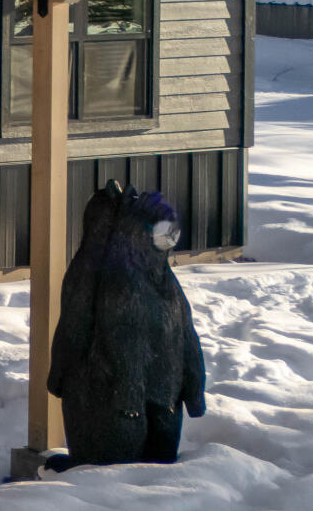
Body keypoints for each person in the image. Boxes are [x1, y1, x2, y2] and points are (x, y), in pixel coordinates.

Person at [45, 182, 206, 464]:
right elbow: (83, 329)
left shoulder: (163, 282)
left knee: (160, 457)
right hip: (114, 401)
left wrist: (193, 389)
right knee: (119, 457)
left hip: (162, 398)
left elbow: (185, 335)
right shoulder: (109, 281)